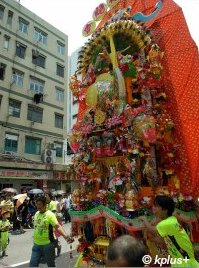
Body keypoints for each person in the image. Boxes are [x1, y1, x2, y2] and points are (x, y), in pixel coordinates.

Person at [140, 195, 199, 267]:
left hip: (184, 261)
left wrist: (144, 220)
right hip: (180, 260)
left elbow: (152, 230)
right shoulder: (171, 220)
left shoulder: (166, 223)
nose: (154, 209)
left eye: (156, 206)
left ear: (165, 210)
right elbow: (163, 240)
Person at [29, 196, 70, 267]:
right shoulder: (36, 214)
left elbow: (58, 226)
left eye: (40, 204)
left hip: (47, 245)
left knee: (51, 265)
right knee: (32, 265)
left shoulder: (50, 215)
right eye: (37, 204)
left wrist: (65, 236)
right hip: (36, 245)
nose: (38, 206)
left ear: (44, 205)